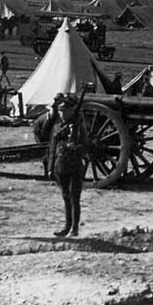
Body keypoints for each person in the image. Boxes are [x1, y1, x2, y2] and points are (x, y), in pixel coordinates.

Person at [49, 94, 88, 237]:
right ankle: (67, 226)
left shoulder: (78, 127)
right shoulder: (57, 127)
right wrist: (50, 168)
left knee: (74, 197)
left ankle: (74, 228)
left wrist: (74, 147)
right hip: (61, 166)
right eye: (60, 111)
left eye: (65, 111)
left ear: (71, 111)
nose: (62, 113)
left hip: (75, 165)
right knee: (65, 196)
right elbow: (52, 149)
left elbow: (85, 146)